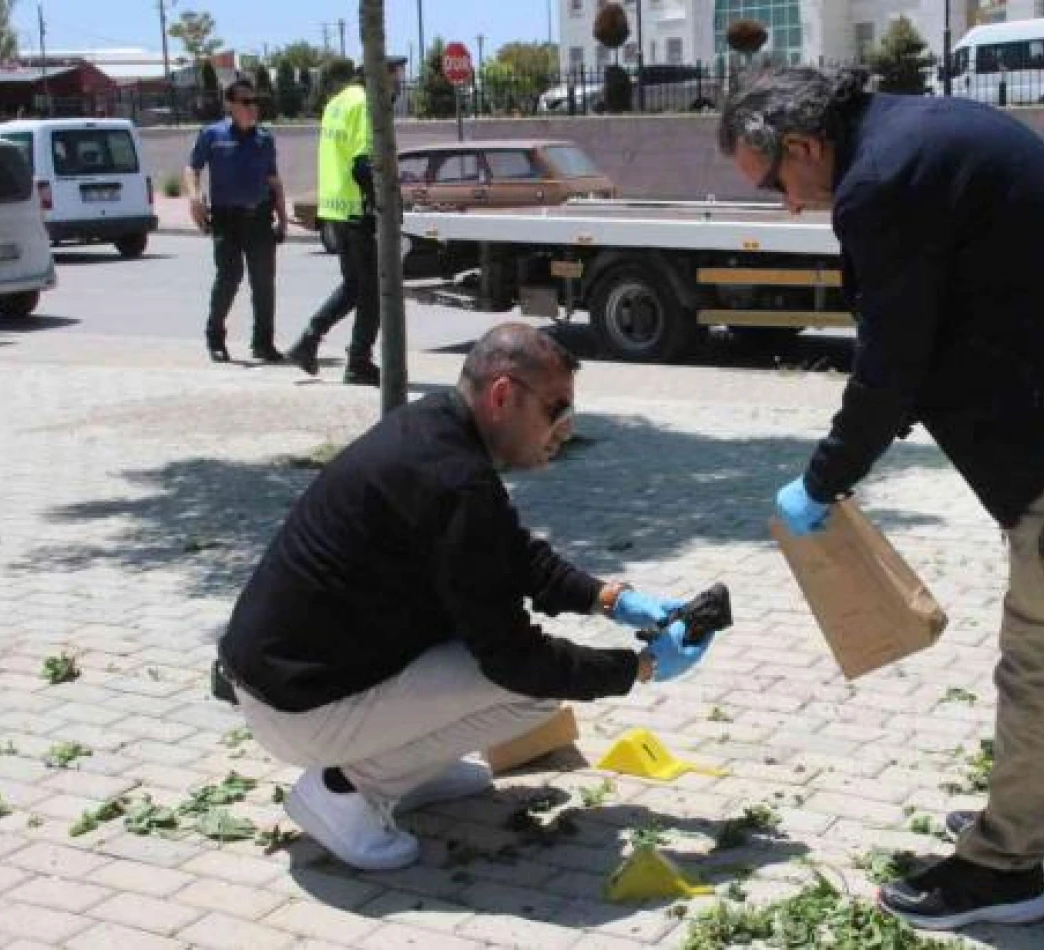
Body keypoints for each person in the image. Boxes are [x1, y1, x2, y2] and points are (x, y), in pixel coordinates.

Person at [719, 67, 1044, 931]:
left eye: (775, 184)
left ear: (801, 145)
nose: (788, 206)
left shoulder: (880, 182)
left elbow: (889, 363)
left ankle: (1002, 871)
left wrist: (825, 479)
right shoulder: (916, 128)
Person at [215, 322, 716, 871]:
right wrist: (636, 668)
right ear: (504, 396)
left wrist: (613, 599)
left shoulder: (434, 431)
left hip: (285, 683)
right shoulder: (455, 482)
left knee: (520, 670)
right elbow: (513, 658)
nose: (565, 430)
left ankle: (406, 769)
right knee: (532, 690)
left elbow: (513, 554)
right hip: (299, 709)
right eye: (557, 411)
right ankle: (345, 788)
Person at [284, 57, 407, 387]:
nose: (399, 85)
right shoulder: (367, 105)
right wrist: (384, 206)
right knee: (371, 292)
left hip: (337, 209)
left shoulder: (336, 104)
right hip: (357, 210)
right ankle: (358, 362)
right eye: (396, 78)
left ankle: (309, 340)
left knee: (355, 286)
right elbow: (363, 164)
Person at [185, 79, 288, 363]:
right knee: (229, 278)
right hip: (226, 218)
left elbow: (273, 180)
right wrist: (194, 198)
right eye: (245, 102)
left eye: (255, 102)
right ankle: (215, 336)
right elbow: (192, 168)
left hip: (259, 217)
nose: (252, 107)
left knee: (264, 283)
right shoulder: (212, 135)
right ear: (230, 105)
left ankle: (263, 343)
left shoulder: (264, 138)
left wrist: (282, 217)